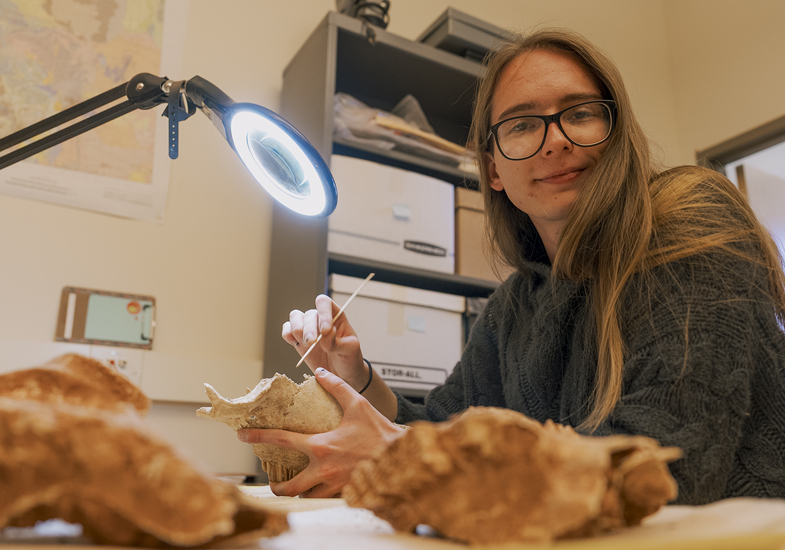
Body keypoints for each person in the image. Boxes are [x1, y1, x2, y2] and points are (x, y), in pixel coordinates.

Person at [238, 28, 785, 503]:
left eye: (580, 113)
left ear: (616, 134)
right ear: (494, 169)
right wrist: (356, 380)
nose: (556, 142)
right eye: (523, 125)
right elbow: (439, 427)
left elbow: (667, 470)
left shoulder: (691, 221)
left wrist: (393, 453)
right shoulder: (517, 303)